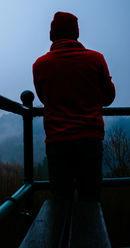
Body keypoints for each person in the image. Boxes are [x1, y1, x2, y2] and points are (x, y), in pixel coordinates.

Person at [33, 11, 115, 202]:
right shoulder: (96, 59)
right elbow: (109, 98)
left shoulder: (40, 65)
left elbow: (44, 99)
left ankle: (58, 232)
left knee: (61, 202)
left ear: (52, 34)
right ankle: (90, 232)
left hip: (57, 142)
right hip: (90, 140)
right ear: (76, 33)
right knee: (91, 201)